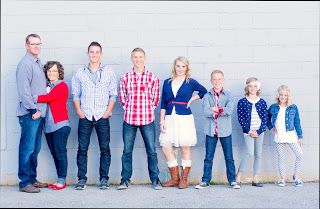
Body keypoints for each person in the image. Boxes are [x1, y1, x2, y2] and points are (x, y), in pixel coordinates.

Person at [72, 41, 117, 190]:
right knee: (82, 148)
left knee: (105, 148)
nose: (94, 54)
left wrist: (107, 112)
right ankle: (81, 179)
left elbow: (113, 95)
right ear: (88, 54)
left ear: (101, 54)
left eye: (97, 52)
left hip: (102, 116)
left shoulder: (109, 72)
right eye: (92, 52)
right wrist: (79, 112)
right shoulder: (80, 73)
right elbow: (76, 95)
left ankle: (104, 179)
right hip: (85, 116)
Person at [159, 56, 207, 189]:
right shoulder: (167, 82)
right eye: (178, 66)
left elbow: (203, 92)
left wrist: (192, 99)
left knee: (185, 146)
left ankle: (184, 179)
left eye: (183, 66)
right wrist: (161, 120)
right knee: (166, 146)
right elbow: (163, 102)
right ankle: (175, 178)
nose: (180, 69)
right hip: (169, 117)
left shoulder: (190, 82)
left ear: (187, 68)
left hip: (184, 118)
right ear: (174, 66)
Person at [118, 47, 162, 190]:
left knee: (151, 151)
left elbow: (156, 99)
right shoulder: (125, 77)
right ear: (132, 59)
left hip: (147, 119)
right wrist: (128, 108)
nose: (138, 60)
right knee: (127, 151)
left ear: (145, 58)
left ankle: (155, 179)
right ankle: (125, 180)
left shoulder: (152, 77)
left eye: (140, 57)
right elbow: (122, 98)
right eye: (135, 57)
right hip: (129, 119)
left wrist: (149, 108)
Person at [195, 69, 240, 189]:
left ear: (223, 80)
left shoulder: (229, 95)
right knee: (208, 157)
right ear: (211, 81)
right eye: (214, 79)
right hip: (211, 130)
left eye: (219, 79)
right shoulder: (207, 95)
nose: (217, 81)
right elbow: (205, 111)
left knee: (229, 157)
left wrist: (215, 109)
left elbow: (229, 110)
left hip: (225, 130)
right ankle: (205, 180)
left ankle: (232, 180)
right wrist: (221, 110)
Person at [16, 33, 48, 193]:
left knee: (35, 150)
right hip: (30, 114)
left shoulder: (37, 62)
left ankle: (32, 179)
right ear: (27, 46)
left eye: (38, 44)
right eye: (33, 44)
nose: (36, 46)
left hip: (38, 114)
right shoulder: (26, 64)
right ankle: (24, 182)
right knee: (27, 149)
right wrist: (33, 109)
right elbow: (24, 91)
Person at [33, 61, 71, 190]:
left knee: (60, 153)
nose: (51, 73)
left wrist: (30, 97)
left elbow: (49, 98)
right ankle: (59, 179)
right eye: (49, 71)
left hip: (60, 125)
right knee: (54, 153)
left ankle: (62, 180)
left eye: (54, 70)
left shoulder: (62, 86)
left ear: (59, 72)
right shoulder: (47, 86)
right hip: (49, 127)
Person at [267, 85, 304, 187]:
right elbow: (266, 117)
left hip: (291, 136)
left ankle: (296, 177)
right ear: (278, 95)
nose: (283, 97)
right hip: (279, 136)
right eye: (281, 95)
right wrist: (271, 127)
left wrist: (300, 136)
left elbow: (297, 122)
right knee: (281, 158)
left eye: (285, 95)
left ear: (288, 96)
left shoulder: (293, 107)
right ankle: (282, 179)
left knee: (300, 155)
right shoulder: (273, 107)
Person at [235, 77, 268, 187]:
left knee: (258, 154)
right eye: (250, 86)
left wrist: (258, 131)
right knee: (249, 152)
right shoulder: (242, 102)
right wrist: (249, 131)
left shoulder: (262, 102)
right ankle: (238, 176)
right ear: (247, 87)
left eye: (255, 86)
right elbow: (241, 118)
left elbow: (265, 119)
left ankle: (255, 178)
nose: (252, 88)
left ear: (258, 88)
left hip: (259, 132)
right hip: (248, 132)